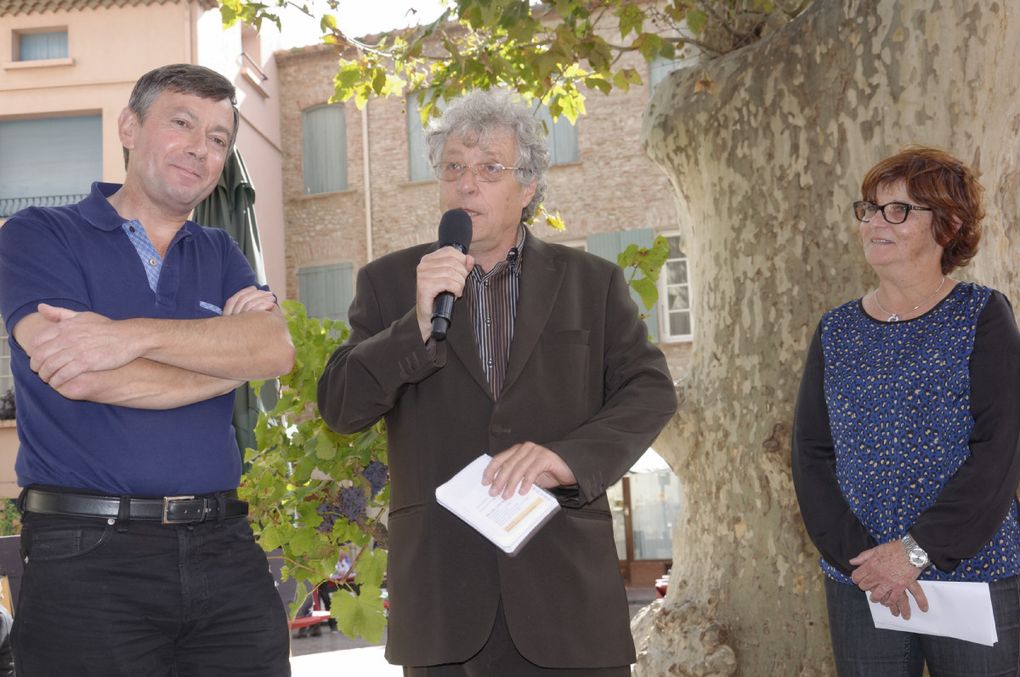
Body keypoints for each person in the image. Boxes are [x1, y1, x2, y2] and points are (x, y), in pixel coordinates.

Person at [317, 89, 677, 676]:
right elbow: (339, 406)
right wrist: (413, 325)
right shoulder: (389, 284)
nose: (467, 185)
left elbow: (651, 390)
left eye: (490, 169)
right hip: (443, 599)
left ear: (528, 187)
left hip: (566, 600)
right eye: (453, 169)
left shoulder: (593, 283)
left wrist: (566, 458)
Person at [0, 64, 294, 676]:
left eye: (219, 139)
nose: (200, 148)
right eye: (182, 123)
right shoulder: (39, 234)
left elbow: (275, 352)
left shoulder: (221, 251)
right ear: (130, 127)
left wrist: (127, 336)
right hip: (88, 556)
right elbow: (79, 374)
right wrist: (227, 360)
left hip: (224, 551)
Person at [792, 146, 1020, 675]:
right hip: (862, 580)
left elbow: (1000, 449)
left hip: (972, 572)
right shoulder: (836, 329)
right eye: (870, 208)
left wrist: (915, 553)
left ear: (948, 225)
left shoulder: (983, 314)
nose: (875, 221)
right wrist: (867, 563)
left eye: (897, 210)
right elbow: (811, 454)